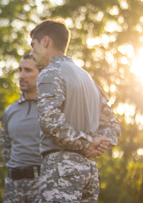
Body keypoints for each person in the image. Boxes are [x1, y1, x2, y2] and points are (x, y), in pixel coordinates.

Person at [29, 18, 121, 202]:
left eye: (33, 45)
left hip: (61, 170)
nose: (31, 53)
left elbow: (50, 123)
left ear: (46, 41)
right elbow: (113, 127)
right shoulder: (89, 80)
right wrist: (97, 144)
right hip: (89, 172)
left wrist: (88, 144)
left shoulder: (51, 72)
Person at [0, 54, 41, 203]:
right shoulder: (9, 111)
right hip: (13, 186)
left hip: (42, 184)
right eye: (20, 70)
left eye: (28, 70)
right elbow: (6, 149)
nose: (22, 76)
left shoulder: (51, 108)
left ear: (41, 73)